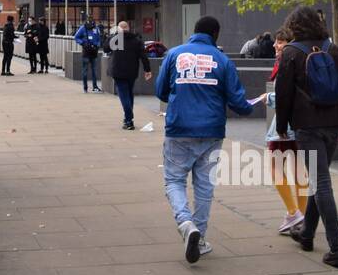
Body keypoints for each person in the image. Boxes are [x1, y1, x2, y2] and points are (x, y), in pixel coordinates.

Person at [156, 15, 255, 262]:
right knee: (204, 186)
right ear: (216, 35)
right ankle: (198, 239)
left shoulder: (174, 54)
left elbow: (161, 92)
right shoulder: (222, 60)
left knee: (174, 181)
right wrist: (250, 107)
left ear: (194, 31)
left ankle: (186, 223)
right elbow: (237, 101)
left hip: (179, 129)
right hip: (212, 131)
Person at [275, 5, 338, 267]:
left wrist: (282, 126)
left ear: (294, 26)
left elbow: (283, 94)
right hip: (333, 122)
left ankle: (337, 248)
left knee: (321, 183)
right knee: (320, 180)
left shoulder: (291, 53)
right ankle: (306, 234)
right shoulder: (334, 50)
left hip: (307, 125)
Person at [263, 28, 306, 234]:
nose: (275, 45)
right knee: (300, 171)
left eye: (279, 42)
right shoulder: (304, 59)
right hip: (302, 124)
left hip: (285, 125)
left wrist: (268, 98)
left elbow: (285, 95)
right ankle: (302, 217)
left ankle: (293, 212)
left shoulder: (286, 62)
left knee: (275, 166)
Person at [108, 19, 152, 129]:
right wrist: (148, 70)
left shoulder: (116, 39)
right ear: (128, 28)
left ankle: (128, 120)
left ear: (119, 29)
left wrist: (113, 34)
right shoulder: (136, 40)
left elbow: (105, 47)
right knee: (129, 93)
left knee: (123, 95)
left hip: (118, 71)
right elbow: (143, 56)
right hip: (132, 72)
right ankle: (128, 118)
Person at [74, 17, 102, 92]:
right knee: (85, 71)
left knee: (94, 71)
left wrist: (97, 45)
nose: (91, 23)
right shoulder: (83, 28)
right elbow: (76, 37)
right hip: (86, 52)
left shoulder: (96, 28)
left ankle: (95, 86)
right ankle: (85, 87)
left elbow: (99, 38)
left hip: (94, 52)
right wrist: (83, 43)